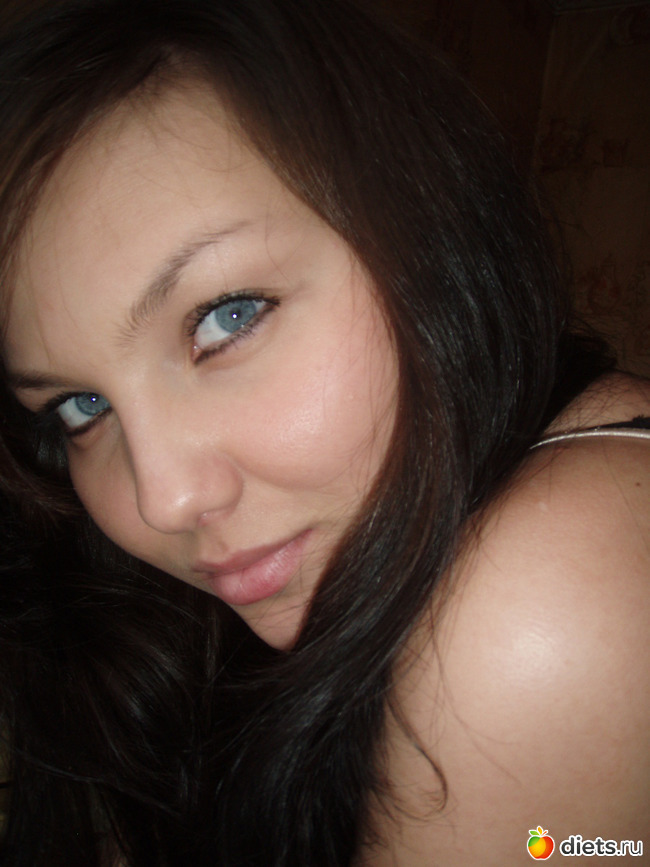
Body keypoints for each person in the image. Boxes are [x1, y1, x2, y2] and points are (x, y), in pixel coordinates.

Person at [0, 0, 648, 864]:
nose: (164, 500)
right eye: (81, 407)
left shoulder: (544, 602)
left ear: (424, 225)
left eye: (228, 317)